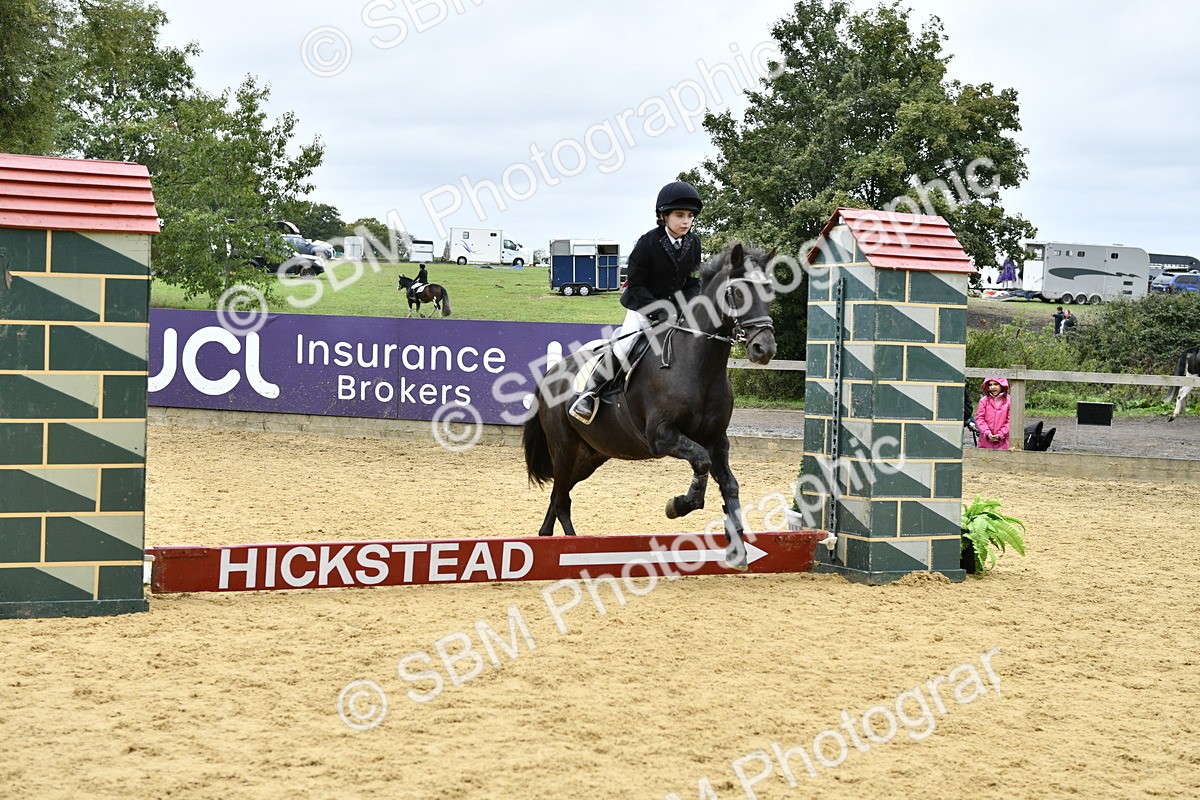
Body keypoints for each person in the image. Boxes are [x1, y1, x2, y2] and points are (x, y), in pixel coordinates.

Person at [568, 180, 704, 424]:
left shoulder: (693, 244)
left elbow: (692, 280)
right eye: (680, 215)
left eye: (690, 216)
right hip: (643, 307)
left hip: (676, 310)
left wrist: (688, 304)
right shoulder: (647, 243)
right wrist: (657, 311)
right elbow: (636, 283)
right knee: (625, 346)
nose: (686, 221)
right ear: (663, 216)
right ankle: (589, 393)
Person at [974, 377, 1011, 450]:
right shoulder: (983, 401)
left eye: (996, 384)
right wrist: (987, 433)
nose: (992, 387)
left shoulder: (1009, 401)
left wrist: (1001, 434)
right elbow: (979, 418)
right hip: (985, 441)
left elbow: (1010, 420)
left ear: (1002, 385)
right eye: (990, 385)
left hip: (1003, 443)